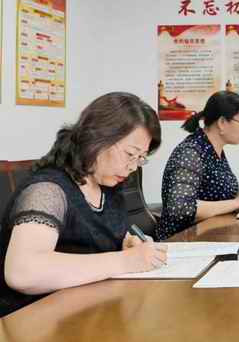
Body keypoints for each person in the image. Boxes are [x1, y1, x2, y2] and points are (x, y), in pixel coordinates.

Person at [0, 92, 167, 317]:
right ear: (96, 138)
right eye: (130, 154)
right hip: (35, 320)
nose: (133, 167)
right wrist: (124, 261)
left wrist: (124, 244)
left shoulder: (107, 184)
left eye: (141, 158)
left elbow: (91, 243)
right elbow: (22, 272)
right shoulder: (48, 190)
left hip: (90, 310)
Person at [156, 91, 239, 240]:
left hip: (207, 235)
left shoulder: (213, 148)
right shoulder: (190, 152)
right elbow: (180, 208)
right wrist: (238, 202)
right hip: (181, 241)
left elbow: (214, 190)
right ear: (222, 122)